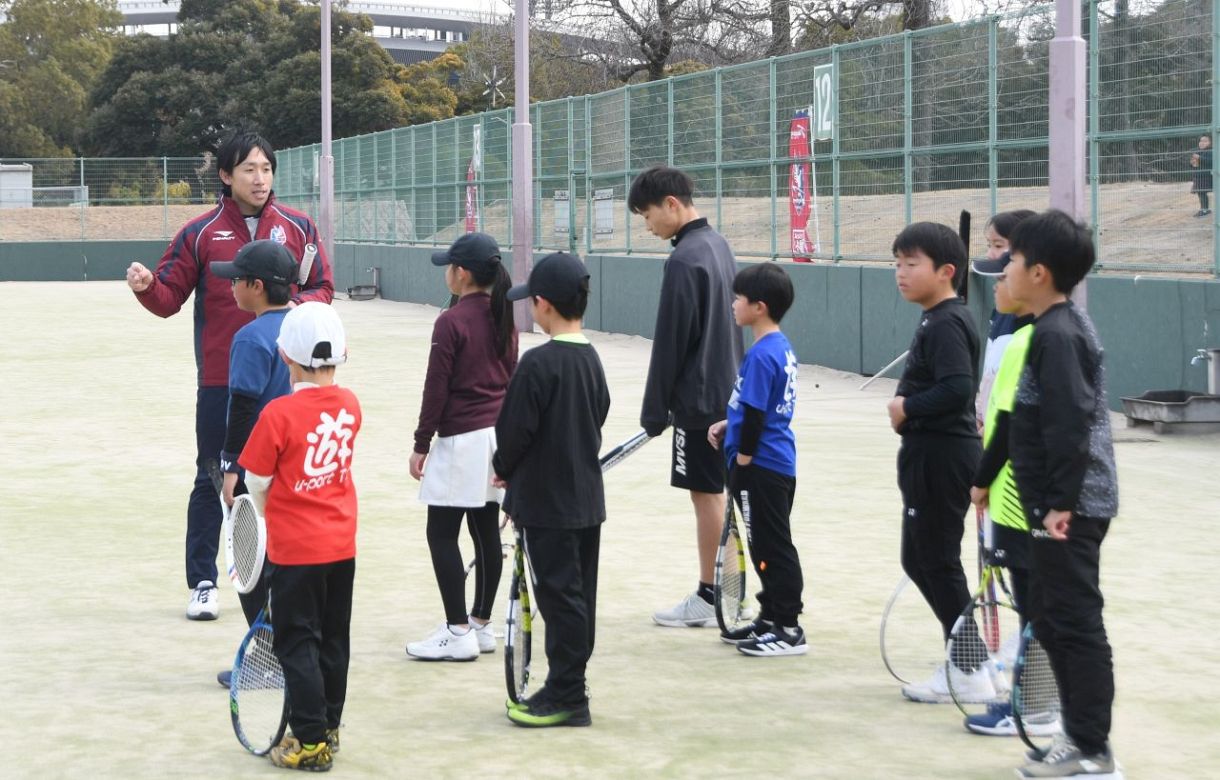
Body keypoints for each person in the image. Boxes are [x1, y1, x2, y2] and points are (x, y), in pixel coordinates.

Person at [125, 130, 334, 621]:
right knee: (213, 475)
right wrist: (147, 287)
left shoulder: (299, 226)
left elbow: (323, 287)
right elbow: (168, 299)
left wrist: (284, 308)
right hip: (222, 382)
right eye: (249, 170)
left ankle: (281, 584)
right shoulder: (199, 233)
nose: (260, 179)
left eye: (266, 169)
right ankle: (203, 582)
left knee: (281, 482)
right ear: (226, 176)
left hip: (289, 381)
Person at [1003, 210, 1120, 779]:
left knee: (1074, 622)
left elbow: (1069, 425)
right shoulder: (1049, 328)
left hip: (1070, 507)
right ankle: (1076, 736)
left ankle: (1093, 750)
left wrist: (1060, 505)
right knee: (1051, 618)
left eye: (1015, 260)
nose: (1006, 266)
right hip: (1053, 505)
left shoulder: (1058, 333)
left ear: (1040, 273)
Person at [239, 301, 361, 771]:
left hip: (295, 552)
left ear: (285, 356)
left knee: (296, 642)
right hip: (341, 545)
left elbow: (257, 482)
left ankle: (310, 740)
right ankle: (328, 724)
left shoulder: (277, 414)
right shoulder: (351, 405)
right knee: (334, 638)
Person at [491, 252, 610, 728]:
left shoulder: (538, 364)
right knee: (577, 597)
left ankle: (567, 694)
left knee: (559, 600)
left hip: (547, 506)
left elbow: (513, 432)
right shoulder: (592, 359)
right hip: (586, 501)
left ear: (542, 305)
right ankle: (568, 685)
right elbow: (597, 414)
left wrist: (504, 469)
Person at [627, 165, 744, 628]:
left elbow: (671, 342)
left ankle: (711, 594)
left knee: (706, 494)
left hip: (698, 401)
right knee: (718, 493)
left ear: (672, 205)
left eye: (648, 214)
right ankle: (727, 592)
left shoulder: (683, 259)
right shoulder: (717, 245)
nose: (648, 225)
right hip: (726, 390)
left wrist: (654, 412)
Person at [887, 222, 993, 704]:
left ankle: (969, 670)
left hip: (943, 456)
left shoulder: (948, 320)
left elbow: (956, 388)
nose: (901, 273)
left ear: (946, 271)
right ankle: (967, 659)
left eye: (912, 264)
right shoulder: (937, 316)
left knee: (937, 560)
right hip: (929, 454)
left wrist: (906, 407)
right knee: (920, 557)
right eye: (897, 263)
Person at [406, 232, 517, 661]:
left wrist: (421, 443)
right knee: (485, 529)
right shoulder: (504, 315)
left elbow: (437, 389)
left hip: (462, 440)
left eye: (450, 266)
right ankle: (480, 624)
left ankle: (457, 632)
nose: (446, 273)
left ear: (463, 273)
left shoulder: (450, 322)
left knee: (441, 532)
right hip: (496, 437)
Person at [963, 251, 1049, 738]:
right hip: (1011, 493)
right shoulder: (1024, 339)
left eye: (1006, 271)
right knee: (1033, 605)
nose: (996, 283)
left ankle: (1030, 708)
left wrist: (981, 478)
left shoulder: (1031, 343)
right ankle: (1029, 705)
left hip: (1019, 499)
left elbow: (1013, 423)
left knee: (1037, 608)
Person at [207, 238, 297, 687]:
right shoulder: (304, 324)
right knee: (288, 563)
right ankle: (296, 653)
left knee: (249, 565)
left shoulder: (249, 338)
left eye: (237, 281)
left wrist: (230, 469)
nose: (231, 287)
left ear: (257, 286)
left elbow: (242, 408)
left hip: (258, 468)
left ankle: (268, 660)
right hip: (298, 466)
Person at [708, 263, 806, 657]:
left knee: (773, 545)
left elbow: (756, 417)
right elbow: (754, 409)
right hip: (774, 462)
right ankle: (770, 616)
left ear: (759, 307)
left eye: (739, 298)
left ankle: (788, 627)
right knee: (763, 543)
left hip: (763, 467)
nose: (733, 304)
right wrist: (725, 424)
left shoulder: (762, 355)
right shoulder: (779, 348)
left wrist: (743, 461)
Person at [976, 210, 1036, 430]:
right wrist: (980, 412)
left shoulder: (1039, 330)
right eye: (989, 245)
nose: (992, 254)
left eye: (999, 246)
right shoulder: (1001, 308)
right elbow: (991, 373)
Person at [1190, 135, 1212, 217]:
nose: (1202, 143)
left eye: (1205, 141)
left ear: (1210, 143)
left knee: (1202, 193)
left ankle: (1205, 210)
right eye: (1201, 141)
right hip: (1197, 176)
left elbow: (1210, 162)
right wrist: (1192, 162)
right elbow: (1193, 165)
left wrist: (1199, 157)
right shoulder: (1197, 151)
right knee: (1200, 193)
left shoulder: (1211, 151)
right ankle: (1204, 209)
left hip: (1206, 176)